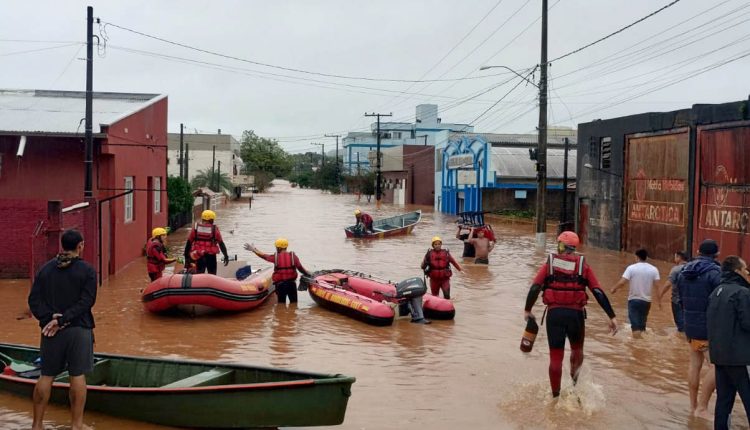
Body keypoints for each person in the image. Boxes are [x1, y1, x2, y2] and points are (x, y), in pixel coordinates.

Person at [524, 231, 618, 398]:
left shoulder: (550, 265)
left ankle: (555, 395)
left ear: (560, 246)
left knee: (555, 357)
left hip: (555, 315)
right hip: (576, 316)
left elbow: (535, 288)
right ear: (574, 247)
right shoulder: (583, 266)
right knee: (577, 351)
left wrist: (528, 310)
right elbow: (597, 291)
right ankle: (574, 385)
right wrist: (612, 316)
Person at [27, 229, 97, 430]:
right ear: (81, 245)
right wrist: (64, 319)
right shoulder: (88, 271)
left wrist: (50, 318)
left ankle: (37, 425)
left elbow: (33, 300)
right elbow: (87, 302)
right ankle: (76, 425)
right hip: (79, 329)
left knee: (46, 375)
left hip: (51, 331)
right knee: (77, 375)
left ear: (62, 245)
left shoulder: (46, 269)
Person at [676, 239, 721, 419]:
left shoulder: (682, 272)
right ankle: (702, 408)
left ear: (697, 251)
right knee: (718, 366)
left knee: (695, 364)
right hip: (709, 328)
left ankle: (693, 406)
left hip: (690, 325)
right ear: (717, 254)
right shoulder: (716, 273)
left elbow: (680, 299)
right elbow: (721, 300)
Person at [707, 255, 750, 429]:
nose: (748, 272)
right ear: (737, 271)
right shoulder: (743, 293)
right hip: (741, 358)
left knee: (723, 403)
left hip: (719, 357)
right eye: (746, 269)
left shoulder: (716, 291)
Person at [610, 248, 661, 337]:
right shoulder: (654, 269)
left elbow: (622, 282)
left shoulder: (631, 268)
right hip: (646, 302)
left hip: (634, 301)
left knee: (635, 328)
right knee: (642, 327)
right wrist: (659, 301)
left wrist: (614, 289)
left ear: (637, 257)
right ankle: (642, 346)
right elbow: (657, 287)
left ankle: (636, 348)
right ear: (646, 258)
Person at [244, 238, 310, 304]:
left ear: (278, 248)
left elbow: (264, 256)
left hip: (281, 285)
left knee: (281, 304)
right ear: (286, 247)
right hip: (291, 284)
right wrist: (308, 273)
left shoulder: (275, 257)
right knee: (294, 304)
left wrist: (254, 250)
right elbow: (300, 268)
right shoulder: (293, 257)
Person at [184, 209, 229, 275]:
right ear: (212, 220)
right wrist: (226, 256)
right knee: (212, 274)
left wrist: (186, 258)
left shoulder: (195, 229)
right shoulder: (214, 230)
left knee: (198, 275)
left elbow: (188, 244)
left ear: (202, 219)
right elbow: (221, 244)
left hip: (198, 256)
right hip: (211, 256)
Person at [659, 251, 690, 333]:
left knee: (680, 325)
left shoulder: (676, 269)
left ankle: (682, 340)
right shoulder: (693, 268)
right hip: (690, 300)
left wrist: (660, 295)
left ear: (679, 258)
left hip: (677, 300)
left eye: (675, 256)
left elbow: (668, 284)